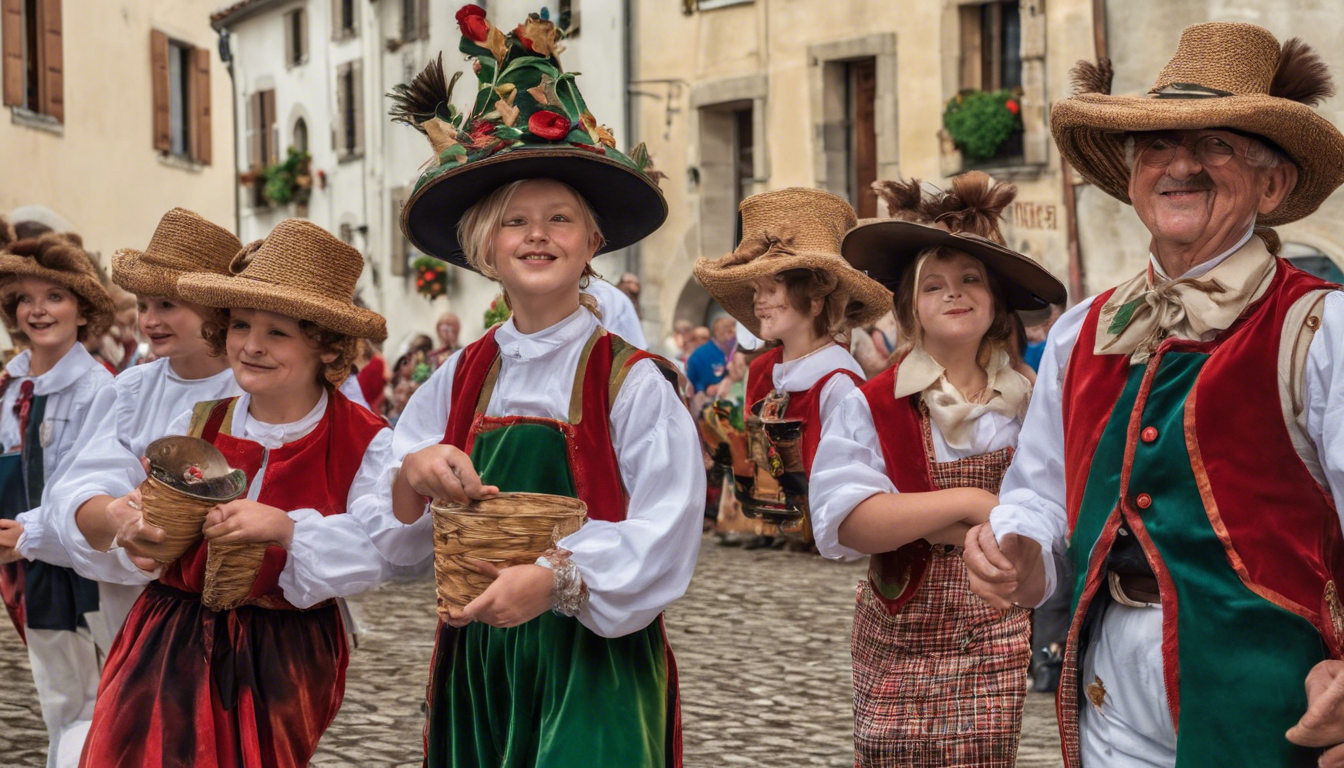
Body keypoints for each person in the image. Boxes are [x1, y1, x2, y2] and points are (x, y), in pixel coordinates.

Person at [965, 23, 1344, 767]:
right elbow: (1042, 491)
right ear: (1133, 176)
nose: (1180, 166)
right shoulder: (1082, 332)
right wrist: (1023, 552)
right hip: (1107, 680)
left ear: (1271, 184)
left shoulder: (1320, 327)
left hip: (1276, 696)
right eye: (1159, 147)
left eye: (1215, 145)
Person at [378, 10, 703, 765]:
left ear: (592, 243)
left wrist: (556, 581)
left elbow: (670, 526)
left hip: (590, 659)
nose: (537, 233)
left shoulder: (629, 380)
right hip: (482, 661)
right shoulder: (462, 373)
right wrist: (414, 467)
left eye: (560, 219)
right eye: (516, 220)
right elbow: (390, 496)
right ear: (485, 247)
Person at [78, 219, 392, 768]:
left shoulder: (365, 440)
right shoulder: (199, 419)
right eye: (241, 324)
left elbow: (383, 551)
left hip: (284, 648)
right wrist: (138, 526)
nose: (251, 346)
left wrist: (286, 529)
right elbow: (146, 521)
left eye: (278, 333)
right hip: (168, 632)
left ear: (325, 345)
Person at [810, 173, 1066, 766]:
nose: (955, 294)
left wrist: (928, 516)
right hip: (899, 636)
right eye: (935, 286)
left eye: (971, 280)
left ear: (997, 300)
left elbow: (1048, 524)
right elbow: (850, 522)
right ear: (910, 309)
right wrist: (976, 506)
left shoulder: (1030, 402)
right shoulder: (872, 402)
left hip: (993, 637)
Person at [30, 209, 243, 657]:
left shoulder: (249, 388)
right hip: (139, 597)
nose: (149, 320)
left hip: (234, 602)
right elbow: (83, 478)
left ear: (216, 308)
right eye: (143, 305)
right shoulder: (131, 388)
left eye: (167, 305)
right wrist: (114, 514)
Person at [692, 188, 890, 552]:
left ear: (815, 301)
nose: (758, 302)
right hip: (775, 546)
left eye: (770, 289)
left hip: (826, 555)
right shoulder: (767, 369)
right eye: (755, 290)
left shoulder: (839, 384)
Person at [0, 232, 115, 768]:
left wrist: (32, 535)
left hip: (75, 569)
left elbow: (90, 484)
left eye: (54, 296)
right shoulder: (12, 388)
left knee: (85, 702)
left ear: (84, 307)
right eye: (24, 298)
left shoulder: (98, 388)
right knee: (58, 697)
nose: (36, 310)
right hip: (22, 566)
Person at [582, 275, 648, 349]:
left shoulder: (628, 304)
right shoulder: (610, 296)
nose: (632, 287)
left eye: (636, 284)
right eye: (629, 282)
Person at [686, 315, 737, 396]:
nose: (729, 332)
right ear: (716, 331)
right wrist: (705, 389)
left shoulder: (739, 350)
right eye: (725, 328)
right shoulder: (699, 355)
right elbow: (690, 383)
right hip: (709, 403)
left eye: (731, 328)